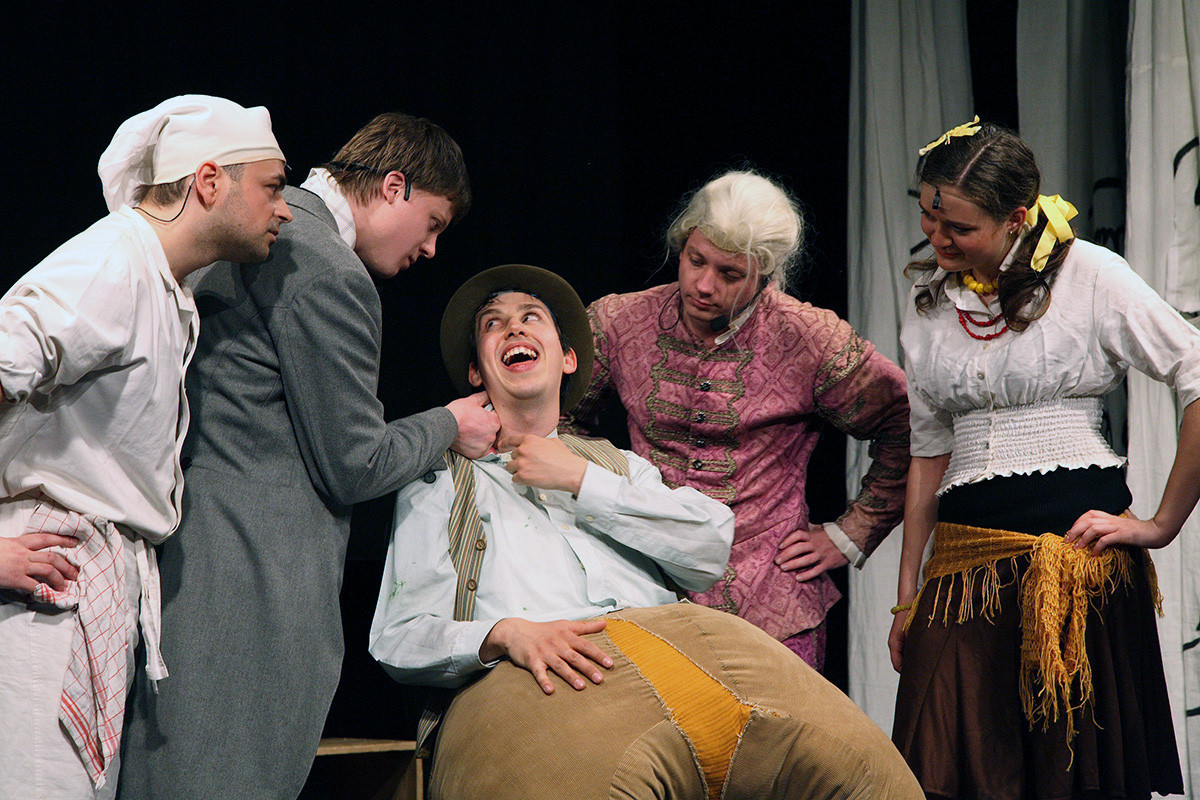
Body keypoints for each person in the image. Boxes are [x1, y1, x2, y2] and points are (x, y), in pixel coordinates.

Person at [369, 264, 924, 800]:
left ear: (568, 358)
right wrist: (505, 634)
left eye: (531, 316)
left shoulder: (617, 467)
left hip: (682, 646)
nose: (514, 327)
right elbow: (399, 635)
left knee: (871, 776)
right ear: (476, 373)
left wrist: (582, 481)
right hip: (543, 677)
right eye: (494, 323)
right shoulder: (439, 477)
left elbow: (709, 545)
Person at [118, 113, 499, 800]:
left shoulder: (263, 228)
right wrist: (449, 423)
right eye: (433, 223)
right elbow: (356, 464)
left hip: (193, 558)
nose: (431, 248)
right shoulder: (324, 266)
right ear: (394, 187)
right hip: (250, 579)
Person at [889, 117, 1200, 799]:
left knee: (1069, 775)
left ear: (1016, 219)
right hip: (964, 569)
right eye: (929, 218)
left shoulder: (1091, 274)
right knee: (937, 770)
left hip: (1073, 565)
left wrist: (1161, 525)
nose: (938, 237)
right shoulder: (929, 300)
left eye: (959, 227)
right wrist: (907, 594)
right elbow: (928, 449)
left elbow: (1195, 370)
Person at [0, 94, 289, 800]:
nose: (285, 210)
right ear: (210, 181)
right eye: (273, 187)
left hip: (83, 584)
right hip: (43, 577)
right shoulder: (114, 263)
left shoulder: (160, 284)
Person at [562, 170, 910, 669]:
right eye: (695, 260)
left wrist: (854, 532)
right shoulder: (619, 321)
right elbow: (557, 421)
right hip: (646, 590)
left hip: (770, 600)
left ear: (764, 273)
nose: (704, 285)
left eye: (729, 274)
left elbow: (907, 423)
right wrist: (606, 500)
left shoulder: (806, 336)